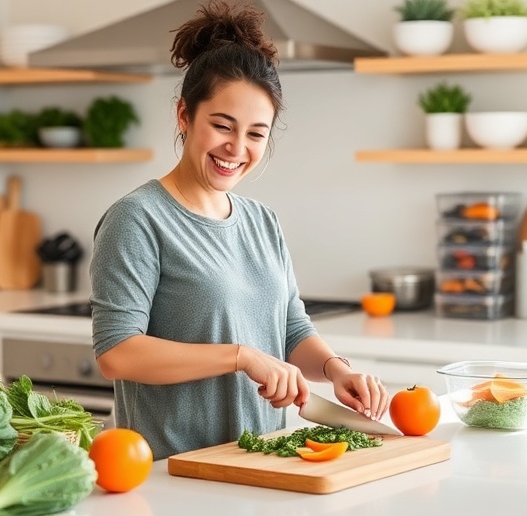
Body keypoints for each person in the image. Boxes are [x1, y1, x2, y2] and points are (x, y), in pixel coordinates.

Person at [89, 0, 388, 460]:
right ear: (184, 116)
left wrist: (334, 369)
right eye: (222, 125)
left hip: (262, 461)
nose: (237, 148)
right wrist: (240, 356)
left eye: (256, 133)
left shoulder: (262, 221)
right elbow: (118, 353)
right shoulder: (137, 219)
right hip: (175, 473)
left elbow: (291, 328)